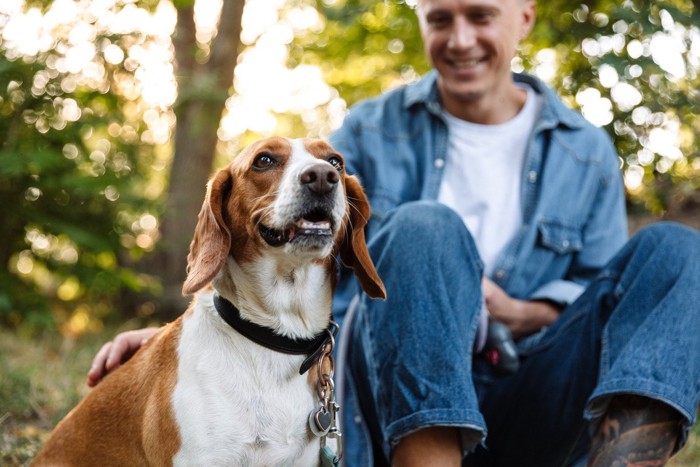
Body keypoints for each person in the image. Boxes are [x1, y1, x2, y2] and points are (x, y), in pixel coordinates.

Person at [88, 0, 700, 465]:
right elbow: (282, 229)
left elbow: (604, 294)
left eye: (481, 16)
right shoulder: (373, 128)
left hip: (533, 386)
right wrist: (189, 331)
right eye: (440, 19)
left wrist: (512, 309)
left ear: (525, 17)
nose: (460, 39)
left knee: (678, 248)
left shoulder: (587, 150)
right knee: (425, 228)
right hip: (386, 397)